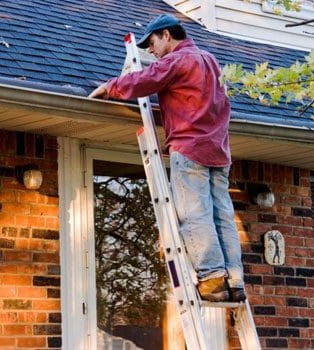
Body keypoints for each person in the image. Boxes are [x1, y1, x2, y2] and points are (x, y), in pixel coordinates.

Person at [89, 13, 246, 302]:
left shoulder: (178, 60)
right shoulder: (210, 60)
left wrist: (111, 86)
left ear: (166, 35)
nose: (150, 51)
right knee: (222, 215)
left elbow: (147, 79)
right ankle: (234, 280)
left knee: (194, 214)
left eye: (151, 43)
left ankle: (212, 279)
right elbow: (214, 107)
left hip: (190, 150)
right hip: (218, 151)